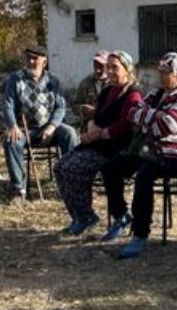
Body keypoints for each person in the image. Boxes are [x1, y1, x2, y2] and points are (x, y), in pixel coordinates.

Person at [97, 52, 177, 257]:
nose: (161, 76)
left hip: (175, 155)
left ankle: (140, 235)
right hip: (149, 150)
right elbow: (131, 114)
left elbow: (167, 126)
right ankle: (121, 215)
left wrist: (149, 118)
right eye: (159, 71)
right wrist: (155, 116)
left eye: (167, 71)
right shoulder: (156, 94)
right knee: (111, 166)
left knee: (144, 176)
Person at [55, 51, 143, 235]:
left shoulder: (133, 95)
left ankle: (88, 216)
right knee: (60, 167)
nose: (109, 71)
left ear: (127, 70)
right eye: (108, 67)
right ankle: (80, 216)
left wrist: (98, 134)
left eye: (115, 67)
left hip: (114, 148)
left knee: (73, 168)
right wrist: (90, 128)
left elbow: (124, 126)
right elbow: (98, 114)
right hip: (96, 142)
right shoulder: (108, 91)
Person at [1, 45, 79, 200]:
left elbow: (61, 107)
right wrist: (13, 126)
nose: (31, 61)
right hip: (25, 129)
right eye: (28, 57)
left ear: (44, 62)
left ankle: (71, 183)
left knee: (70, 134)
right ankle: (19, 189)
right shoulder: (15, 79)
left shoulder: (53, 81)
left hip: (50, 128)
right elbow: (8, 106)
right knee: (11, 141)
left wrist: (51, 127)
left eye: (35, 58)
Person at [73, 50, 109, 126]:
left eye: (101, 65)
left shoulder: (114, 83)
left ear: (108, 65)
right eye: (96, 64)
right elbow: (74, 105)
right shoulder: (85, 82)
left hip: (108, 124)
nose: (98, 69)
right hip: (89, 124)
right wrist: (82, 108)